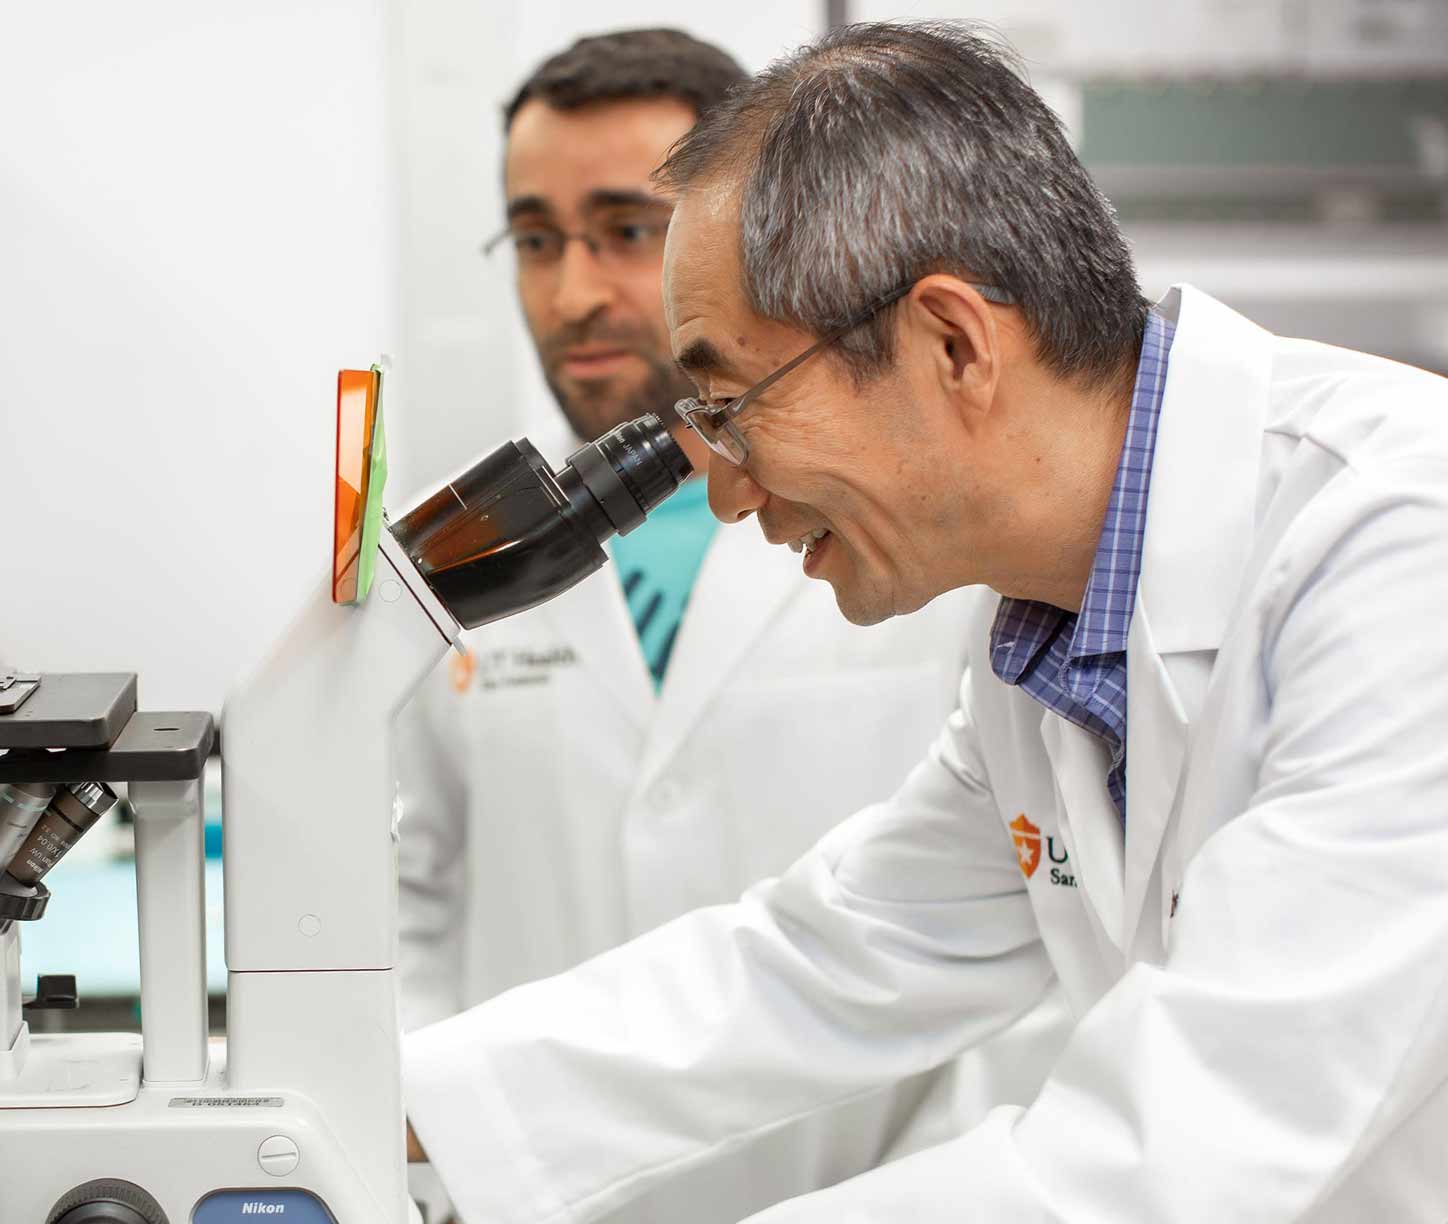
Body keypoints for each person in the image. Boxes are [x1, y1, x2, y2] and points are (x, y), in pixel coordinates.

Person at [403, 19, 1448, 1222]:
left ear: (951, 343)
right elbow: (831, 959)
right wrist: (388, 1107)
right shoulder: (1044, 639)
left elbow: (1188, 1135)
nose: (726, 493)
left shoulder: (1398, 541)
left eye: (731, 410)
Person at [395, 27, 1064, 1224]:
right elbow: (405, 896)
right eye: (536, 240)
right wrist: (408, 1134)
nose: (574, 294)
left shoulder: (931, 540)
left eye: (626, 231)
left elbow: (975, 943)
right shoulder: (461, 550)